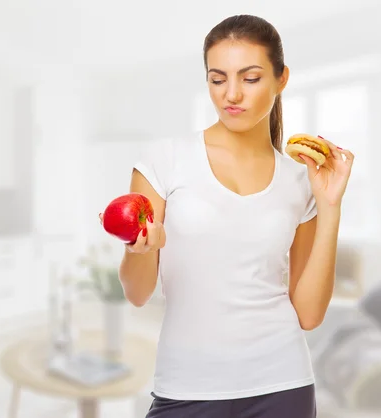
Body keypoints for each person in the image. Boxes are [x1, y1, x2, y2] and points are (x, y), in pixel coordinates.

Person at [99, 14, 354, 418]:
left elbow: (308, 314)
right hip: (187, 387)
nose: (231, 94)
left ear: (281, 79)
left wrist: (330, 206)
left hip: (283, 384)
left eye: (250, 78)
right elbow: (137, 293)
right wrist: (140, 249)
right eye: (218, 79)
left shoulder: (298, 180)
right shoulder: (164, 161)